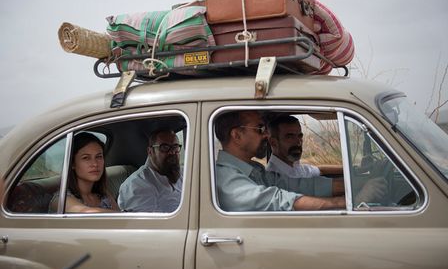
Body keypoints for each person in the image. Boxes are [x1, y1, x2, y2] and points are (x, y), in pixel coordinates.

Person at [214, 110, 345, 212]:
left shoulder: (254, 169)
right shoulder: (225, 178)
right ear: (237, 135)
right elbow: (277, 200)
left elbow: (292, 185)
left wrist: (351, 185)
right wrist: (341, 203)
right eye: (260, 129)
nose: (266, 135)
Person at [267, 114, 387, 206]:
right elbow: (314, 187)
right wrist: (365, 183)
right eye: (290, 136)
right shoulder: (276, 177)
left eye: (300, 136)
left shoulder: (295, 167)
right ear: (273, 142)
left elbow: (320, 170)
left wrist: (357, 169)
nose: (298, 142)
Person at [49, 132, 119, 213]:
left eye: (99, 157)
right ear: (72, 164)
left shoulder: (104, 195)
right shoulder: (61, 199)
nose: (95, 164)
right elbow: (88, 213)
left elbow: (123, 220)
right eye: (86, 158)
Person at [118, 129, 183, 212]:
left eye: (175, 147)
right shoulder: (137, 185)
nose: (172, 152)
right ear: (150, 151)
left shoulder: (182, 173)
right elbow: (149, 224)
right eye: (164, 147)